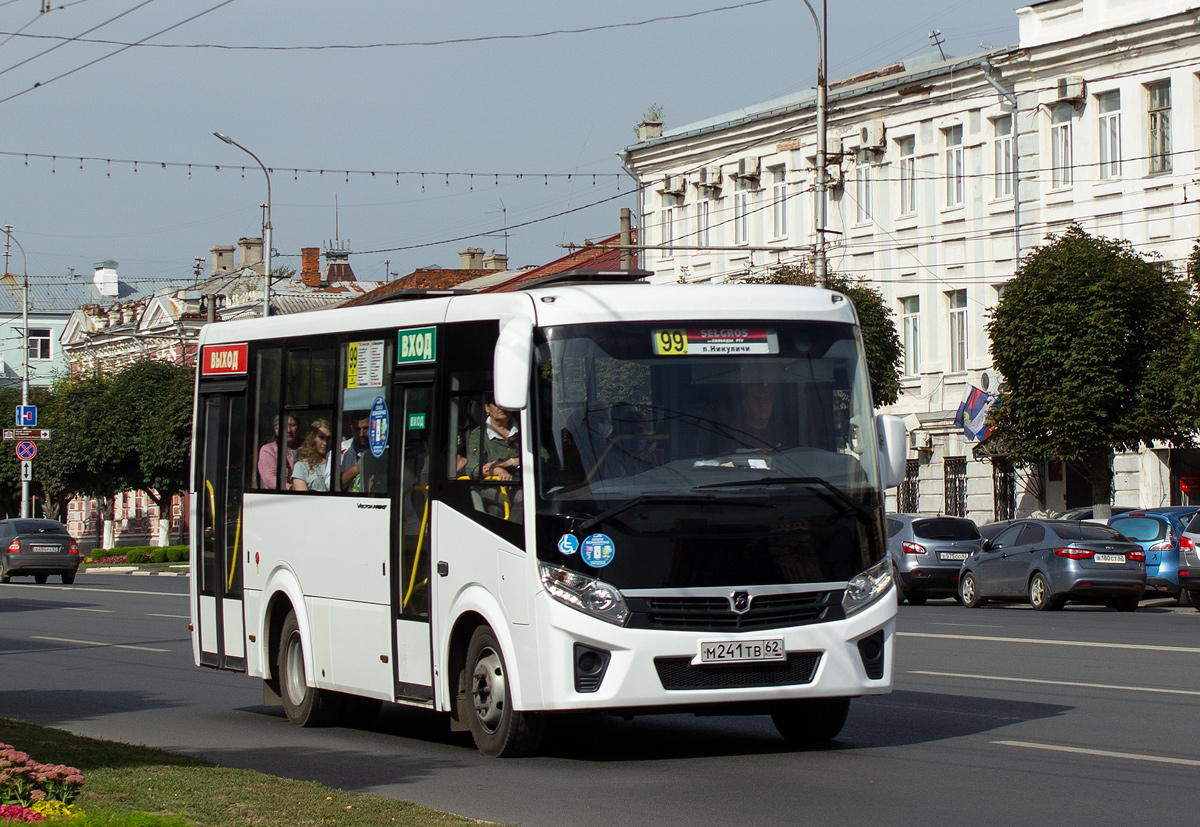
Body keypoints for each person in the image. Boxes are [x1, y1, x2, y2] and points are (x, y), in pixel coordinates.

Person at [598, 403, 661, 478]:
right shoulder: (615, 457)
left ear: (647, 431)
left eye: (640, 430)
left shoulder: (654, 452)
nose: (635, 435)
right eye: (630, 432)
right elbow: (622, 485)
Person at [465, 397, 521, 481]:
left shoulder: (525, 429)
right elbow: (472, 467)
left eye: (506, 403)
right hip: (495, 485)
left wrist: (512, 462)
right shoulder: (478, 434)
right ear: (487, 408)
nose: (502, 407)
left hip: (526, 483)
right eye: (496, 403)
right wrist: (497, 470)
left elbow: (543, 458)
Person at [257, 415, 299, 490]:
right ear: (276, 429)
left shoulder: (304, 448)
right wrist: (293, 489)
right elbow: (270, 479)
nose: (289, 430)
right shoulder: (268, 450)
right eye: (284, 425)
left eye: (292, 425)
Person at [292, 419, 334, 492]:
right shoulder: (301, 466)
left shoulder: (335, 463)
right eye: (321, 437)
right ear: (312, 438)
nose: (325, 443)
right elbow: (301, 497)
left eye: (328, 438)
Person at [340, 412, 370, 490]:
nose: (361, 434)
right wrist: (356, 468)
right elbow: (331, 484)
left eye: (366, 428)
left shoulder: (379, 450)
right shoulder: (341, 449)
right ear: (352, 429)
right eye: (357, 429)